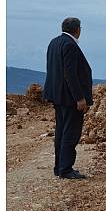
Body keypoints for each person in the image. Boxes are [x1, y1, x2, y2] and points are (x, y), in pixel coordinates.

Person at [43, 17, 93, 179]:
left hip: (58, 96)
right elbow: (70, 74)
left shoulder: (54, 43)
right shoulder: (70, 45)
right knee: (70, 133)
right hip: (70, 99)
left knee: (61, 131)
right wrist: (79, 98)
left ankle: (59, 167)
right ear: (78, 30)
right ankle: (66, 169)